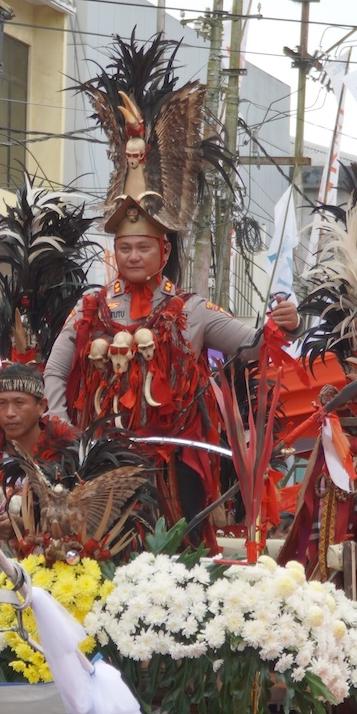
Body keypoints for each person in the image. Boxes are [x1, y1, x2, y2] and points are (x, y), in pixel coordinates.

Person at [42, 34, 298, 530]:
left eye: (143, 247)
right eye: (124, 247)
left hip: (174, 467)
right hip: (99, 464)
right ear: (114, 252)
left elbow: (250, 346)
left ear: (164, 251)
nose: (133, 255)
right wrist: (62, 425)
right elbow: (55, 369)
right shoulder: (89, 308)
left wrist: (280, 324)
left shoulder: (191, 309)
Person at [0, 363, 79, 497]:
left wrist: (29, 516)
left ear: (41, 406)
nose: (9, 413)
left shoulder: (68, 452)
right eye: (2, 404)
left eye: (19, 403)